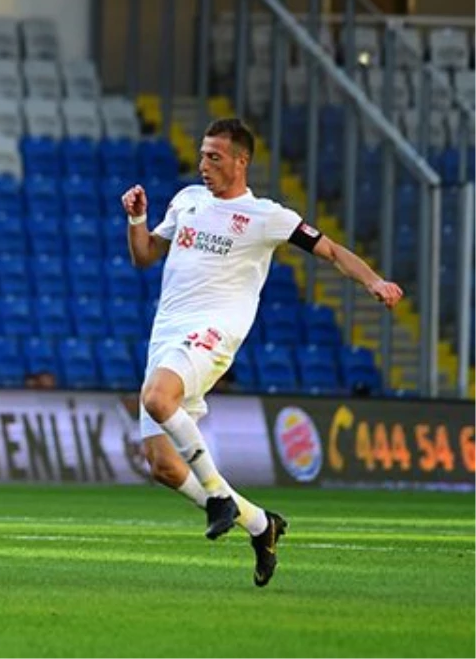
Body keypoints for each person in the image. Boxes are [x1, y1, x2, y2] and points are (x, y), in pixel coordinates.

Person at [121, 118, 404, 587]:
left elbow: (331, 251)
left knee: (156, 398)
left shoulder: (267, 216)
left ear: (241, 161)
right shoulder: (187, 201)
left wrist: (375, 281)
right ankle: (260, 524)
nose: (204, 164)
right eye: (202, 154)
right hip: (166, 331)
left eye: (215, 157)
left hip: (215, 330)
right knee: (163, 466)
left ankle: (218, 498)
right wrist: (136, 219)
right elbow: (146, 255)